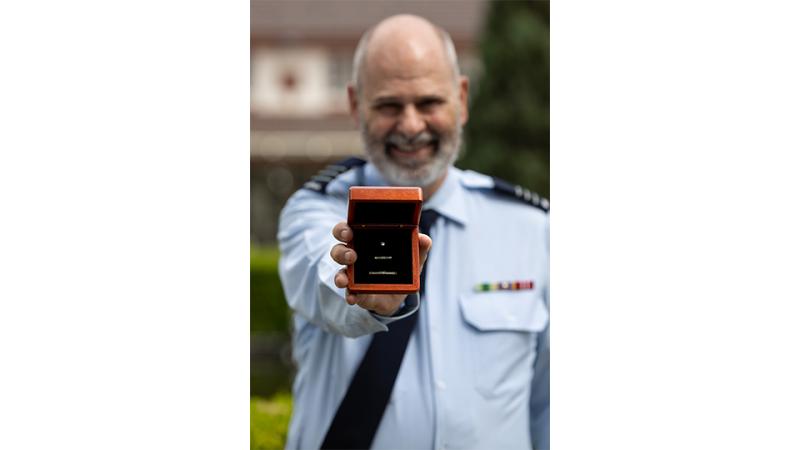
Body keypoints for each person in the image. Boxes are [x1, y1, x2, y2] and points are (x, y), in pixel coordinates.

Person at [278, 14, 549, 450]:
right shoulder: (314, 211)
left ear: (461, 98)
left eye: (428, 102)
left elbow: (548, 404)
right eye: (388, 105)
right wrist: (365, 299)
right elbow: (322, 278)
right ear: (354, 105)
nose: (409, 125)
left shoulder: (532, 229)